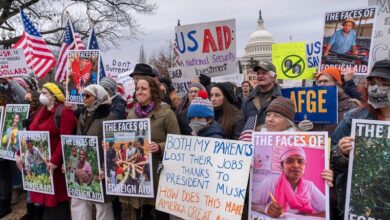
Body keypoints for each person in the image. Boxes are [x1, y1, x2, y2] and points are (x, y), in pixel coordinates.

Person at [330, 60, 390, 219]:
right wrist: (340, 152)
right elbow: (331, 155)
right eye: (372, 83)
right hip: (361, 204)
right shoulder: (355, 116)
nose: (376, 88)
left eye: (385, 83)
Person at [121, 76, 180, 220]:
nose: (139, 92)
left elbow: (178, 142)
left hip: (159, 174)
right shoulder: (132, 114)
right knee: (142, 213)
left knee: (159, 214)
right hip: (139, 175)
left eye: (143, 88)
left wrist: (159, 147)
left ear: (152, 91)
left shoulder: (166, 113)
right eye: (137, 89)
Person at [28, 82, 77, 220]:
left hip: (56, 164)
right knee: (46, 198)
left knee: (58, 198)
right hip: (42, 161)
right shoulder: (41, 111)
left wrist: (55, 160)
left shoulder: (64, 112)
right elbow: (31, 133)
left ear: (54, 96)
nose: (41, 95)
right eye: (41, 92)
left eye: (45, 93)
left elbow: (65, 138)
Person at [71, 84, 116, 220]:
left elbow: (114, 145)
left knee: (102, 205)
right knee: (79, 200)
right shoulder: (84, 114)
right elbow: (78, 140)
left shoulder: (109, 116)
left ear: (98, 97)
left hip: (102, 166)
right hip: (84, 162)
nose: (83, 98)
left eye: (87, 95)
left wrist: (105, 167)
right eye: (83, 95)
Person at [252, 146, 328, 218]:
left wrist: (304, 217)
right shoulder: (271, 182)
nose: (296, 165)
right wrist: (265, 209)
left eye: (300, 161)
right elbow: (251, 204)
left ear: (305, 165)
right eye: (290, 161)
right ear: (282, 165)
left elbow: (327, 210)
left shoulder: (309, 186)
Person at [310, 67, 359, 135]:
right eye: (319, 82)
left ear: (337, 84)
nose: (321, 84)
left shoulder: (350, 105)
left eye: (325, 81)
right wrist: (299, 127)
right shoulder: (311, 103)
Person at [241, 61, 282, 127]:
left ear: (274, 77)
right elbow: (241, 125)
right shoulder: (248, 100)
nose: (260, 76)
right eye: (258, 73)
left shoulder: (282, 98)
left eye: (264, 73)